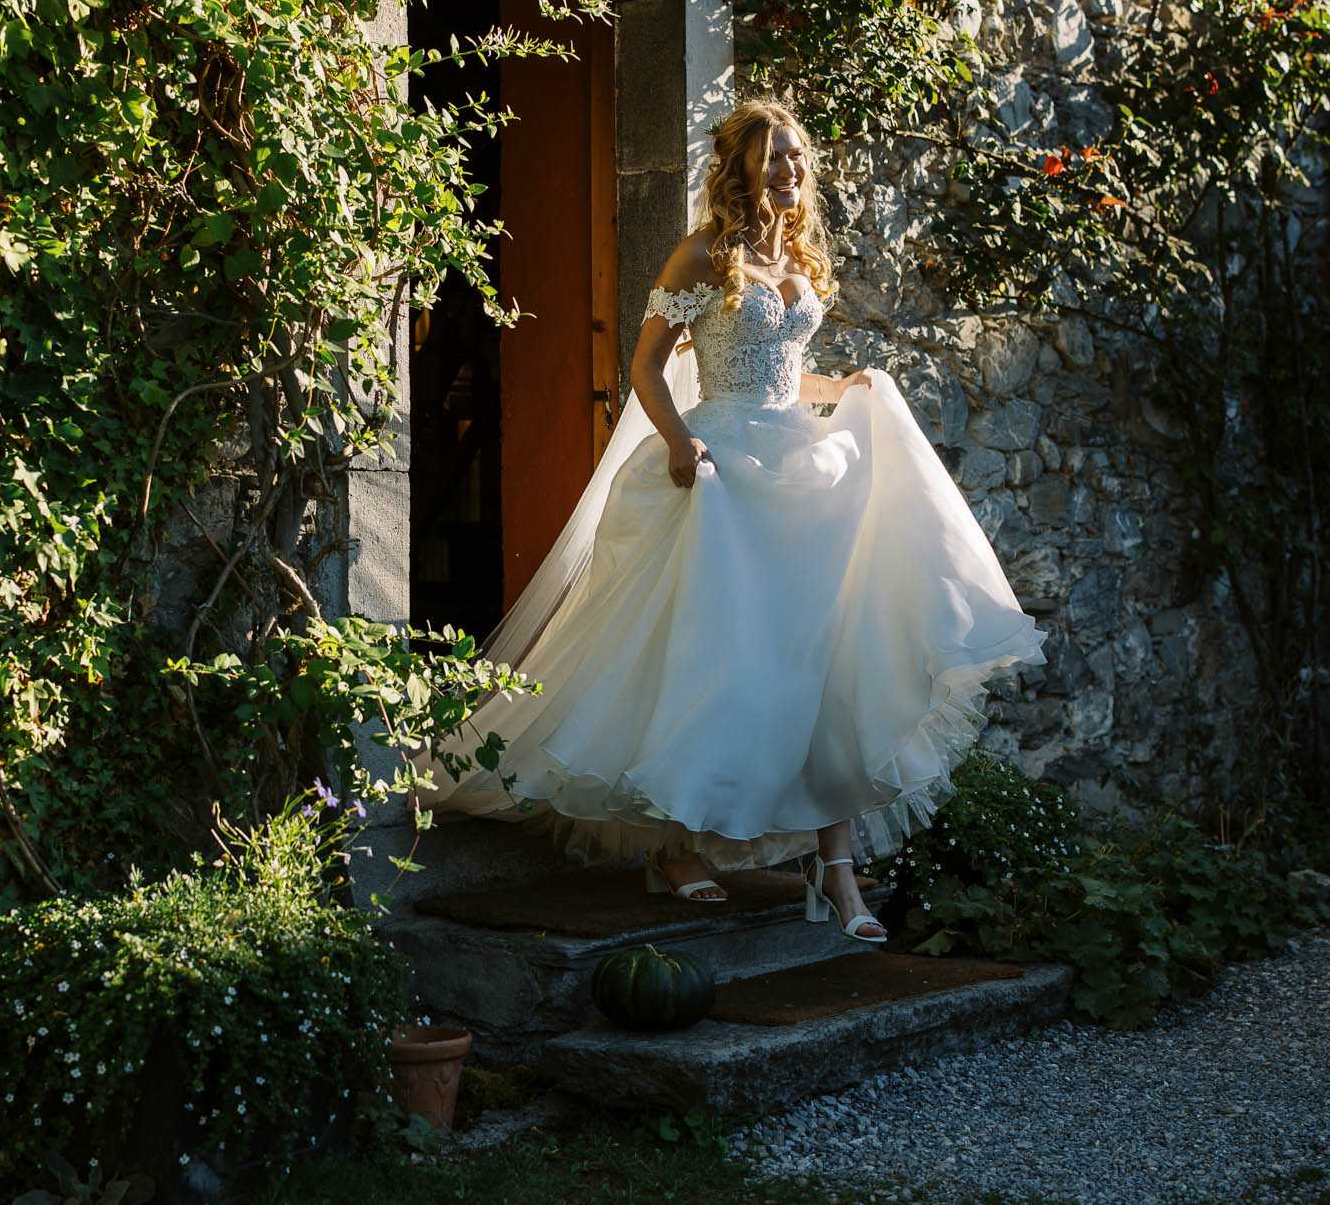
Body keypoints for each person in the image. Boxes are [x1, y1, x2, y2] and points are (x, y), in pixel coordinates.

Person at [409, 97, 1049, 945]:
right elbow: (643, 366)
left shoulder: (801, 254)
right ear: (741, 167)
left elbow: (786, 368)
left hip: (801, 475)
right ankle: (676, 848)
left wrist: (843, 391)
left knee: (825, 662)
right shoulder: (706, 255)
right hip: (722, 473)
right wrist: (678, 444)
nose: (789, 170)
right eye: (774, 157)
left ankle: (839, 872)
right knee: (709, 656)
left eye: (796, 156)